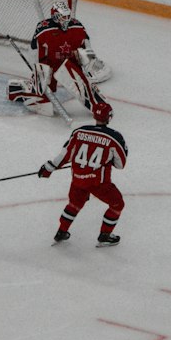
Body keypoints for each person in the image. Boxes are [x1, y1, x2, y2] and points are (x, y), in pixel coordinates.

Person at [38, 98, 127, 246]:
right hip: (99, 183)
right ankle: (105, 235)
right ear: (109, 117)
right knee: (117, 204)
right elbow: (120, 164)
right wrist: (108, 160)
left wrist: (48, 168)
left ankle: (61, 231)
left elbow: (65, 156)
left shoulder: (79, 132)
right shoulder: (114, 137)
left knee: (74, 204)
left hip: (78, 180)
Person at [7, 1, 108, 116]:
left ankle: (97, 106)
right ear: (55, 16)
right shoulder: (43, 28)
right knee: (40, 94)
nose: (67, 19)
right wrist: (38, 70)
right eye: (63, 16)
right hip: (49, 66)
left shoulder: (77, 26)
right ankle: (18, 89)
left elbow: (87, 48)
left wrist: (88, 63)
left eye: (68, 16)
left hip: (70, 63)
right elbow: (34, 52)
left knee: (82, 85)